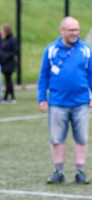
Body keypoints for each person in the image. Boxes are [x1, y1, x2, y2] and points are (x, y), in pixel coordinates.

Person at [38, 16, 92, 184]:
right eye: (71, 30)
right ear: (62, 30)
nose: (75, 33)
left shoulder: (86, 50)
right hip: (57, 103)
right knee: (56, 139)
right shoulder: (51, 49)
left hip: (81, 102)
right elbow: (43, 75)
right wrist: (42, 97)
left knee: (81, 139)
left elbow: (91, 75)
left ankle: (80, 172)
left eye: (77, 30)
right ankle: (58, 172)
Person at [0, 24, 17, 103]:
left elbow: (14, 51)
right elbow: (1, 50)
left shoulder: (12, 39)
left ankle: (11, 97)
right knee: (7, 80)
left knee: (8, 80)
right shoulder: (3, 39)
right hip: (4, 63)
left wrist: (5, 56)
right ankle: (8, 97)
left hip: (9, 63)